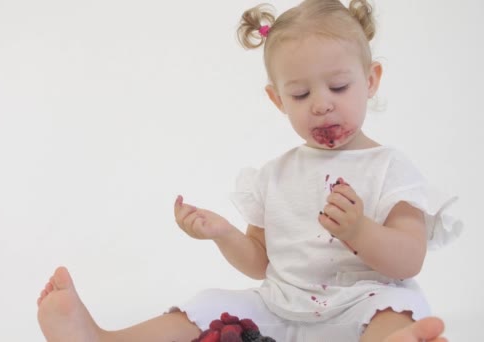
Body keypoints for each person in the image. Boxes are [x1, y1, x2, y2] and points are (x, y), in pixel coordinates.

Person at [36, 0, 462, 340]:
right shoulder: (274, 175)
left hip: (364, 307)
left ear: (371, 80)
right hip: (282, 307)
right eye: (299, 93)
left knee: (393, 314)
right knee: (208, 304)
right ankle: (101, 339)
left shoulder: (391, 167)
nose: (321, 103)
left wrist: (359, 232)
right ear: (278, 100)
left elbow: (410, 260)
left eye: (338, 86)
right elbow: (261, 263)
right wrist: (224, 234)